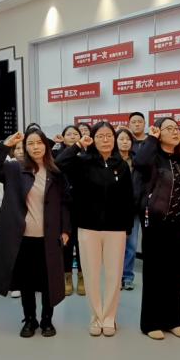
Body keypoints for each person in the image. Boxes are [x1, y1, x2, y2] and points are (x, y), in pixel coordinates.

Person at [0, 129, 71, 337]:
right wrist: (5, 145)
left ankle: (47, 320)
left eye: (39, 143)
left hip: (49, 236)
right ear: (24, 147)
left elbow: (65, 203)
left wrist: (66, 229)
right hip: (22, 237)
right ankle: (30, 319)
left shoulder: (55, 172)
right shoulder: (14, 169)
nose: (35, 147)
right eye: (30, 143)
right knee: (27, 282)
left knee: (48, 281)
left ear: (46, 146)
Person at [56, 122, 134, 336]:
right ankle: (96, 316)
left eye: (109, 135)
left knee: (113, 275)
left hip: (116, 229)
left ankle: (109, 317)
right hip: (87, 227)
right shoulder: (82, 161)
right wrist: (78, 145)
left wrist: (127, 227)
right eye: (100, 136)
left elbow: (128, 198)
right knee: (91, 275)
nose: (105, 140)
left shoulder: (122, 165)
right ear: (92, 139)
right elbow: (58, 163)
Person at [134, 118, 180, 340]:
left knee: (178, 274)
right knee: (156, 275)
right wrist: (151, 139)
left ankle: (174, 320)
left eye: (177, 129)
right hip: (156, 224)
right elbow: (139, 163)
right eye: (169, 129)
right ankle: (151, 322)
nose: (175, 132)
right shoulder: (152, 158)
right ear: (159, 133)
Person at [51, 125, 84, 296]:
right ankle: (67, 277)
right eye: (68, 134)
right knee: (66, 242)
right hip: (64, 205)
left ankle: (83, 277)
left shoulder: (87, 154)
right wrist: (75, 147)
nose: (72, 136)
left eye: (75, 134)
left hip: (84, 206)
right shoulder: (58, 154)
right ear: (63, 138)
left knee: (82, 244)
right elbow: (57, 164)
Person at [117, 127, 138, 290]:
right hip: (115, 208)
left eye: (128, 139)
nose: (125, 142)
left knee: (131, 244)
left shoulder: (137, 160)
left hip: (134, 208)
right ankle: (116, 277)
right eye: (121, 139)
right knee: (116, 245)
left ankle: (128, 276)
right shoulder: (111, 160)